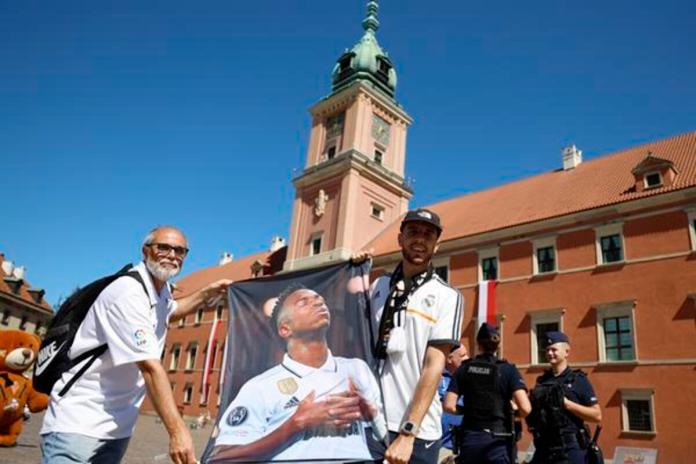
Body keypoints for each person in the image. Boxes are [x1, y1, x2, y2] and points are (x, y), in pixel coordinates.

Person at [40, 226, 232, 464]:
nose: (172, 255)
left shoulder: (160, 293)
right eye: (164, 247)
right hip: (79, 423)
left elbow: (171, 311)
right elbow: (150, 367)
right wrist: (178, 431)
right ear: (145, 251)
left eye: (180, 251)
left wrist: (206, 293)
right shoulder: (128, 292)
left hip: (117, 427)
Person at [207, 284, 384, 463]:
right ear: (285, 329)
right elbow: (221, 458)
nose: (318, 304)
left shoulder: (356, 369)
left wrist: (374, 416)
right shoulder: (260, 387)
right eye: (303, 302)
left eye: (320, 301)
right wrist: (296, 424)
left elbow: (389, 444)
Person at [366, 208, 464, 464]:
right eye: (413, 232)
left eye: (428, 235)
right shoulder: (378, 286)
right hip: (370, 422)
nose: (420, 239)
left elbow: (434, 367)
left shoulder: (447, 296)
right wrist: (353, 269)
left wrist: (408, 433)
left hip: (416, 431)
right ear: (400, 239)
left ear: (436, 244)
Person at [444, 323, 531, 464]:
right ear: (498, 345)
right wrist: (510, 412)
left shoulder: (464, 369)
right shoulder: (508, 370)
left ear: (478, 344)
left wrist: (468, 410)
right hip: (499, 439)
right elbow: (526, 408)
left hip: (471, 438)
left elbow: (448, 406)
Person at [527, 331, 602, 464]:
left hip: (569, 449)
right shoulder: (542, 381)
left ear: (566, 352)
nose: (550, 353)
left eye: (554, 350)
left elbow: (596, 415)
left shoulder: (578, 380)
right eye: (547, 350)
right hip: (544, 447)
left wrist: (567, 404)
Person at [438, 345, 468, 454]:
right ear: (450, 359)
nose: (467, 358)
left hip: (463, 445)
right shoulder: (437, 377)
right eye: (463, 355)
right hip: (440, 445)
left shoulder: (468, 378)